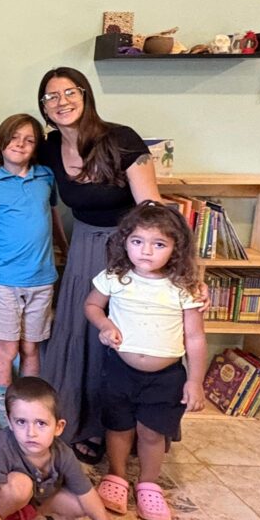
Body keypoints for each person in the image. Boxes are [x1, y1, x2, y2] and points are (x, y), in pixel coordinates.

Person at [34, 67, 161, 462]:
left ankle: (124, 429)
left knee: (124, 336)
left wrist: (163, 267)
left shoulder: (121, 139)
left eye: (70, 92)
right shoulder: (50, 147)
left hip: (128, 249)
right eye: (51, 96)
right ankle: (84, 424)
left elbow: (151, 208)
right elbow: (12, 158)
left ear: (85, 95)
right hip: (84, 249)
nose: (62, 102)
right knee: (82, 336)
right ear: (44, 108)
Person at [86, 202, 206, 520]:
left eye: (159, 244)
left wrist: (195, 381)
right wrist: (105, 325)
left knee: (152, 433)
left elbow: (195, 337)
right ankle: (116, 476)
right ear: (125, 241)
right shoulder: (115, 277)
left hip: (166, 377)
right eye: (137, 241)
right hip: (119, 370)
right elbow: (92, 306)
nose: (146, 251)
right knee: (118, 427)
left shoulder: (184, 287)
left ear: (176, 248)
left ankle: (149, 485)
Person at [0, 377, 129, 520]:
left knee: (83, 505)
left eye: (41, 423)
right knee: (20, 487)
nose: (31, 433)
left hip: (38, 491)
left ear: (58, 427)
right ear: (10, 423)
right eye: (21, 422)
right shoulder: (0, 448)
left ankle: (26, 512)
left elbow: (95, 508)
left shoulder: (63, 454)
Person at [0, 114, 67, 428]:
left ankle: (29, 412)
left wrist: (65, 249)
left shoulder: (46, 177)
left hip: (42, 279)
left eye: (29, 140)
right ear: (1, 142)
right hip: (4, 281)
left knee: (30, 348)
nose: (21, 145)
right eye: (14, 138)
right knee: (7, 348)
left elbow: (53, 216)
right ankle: (5, 416)